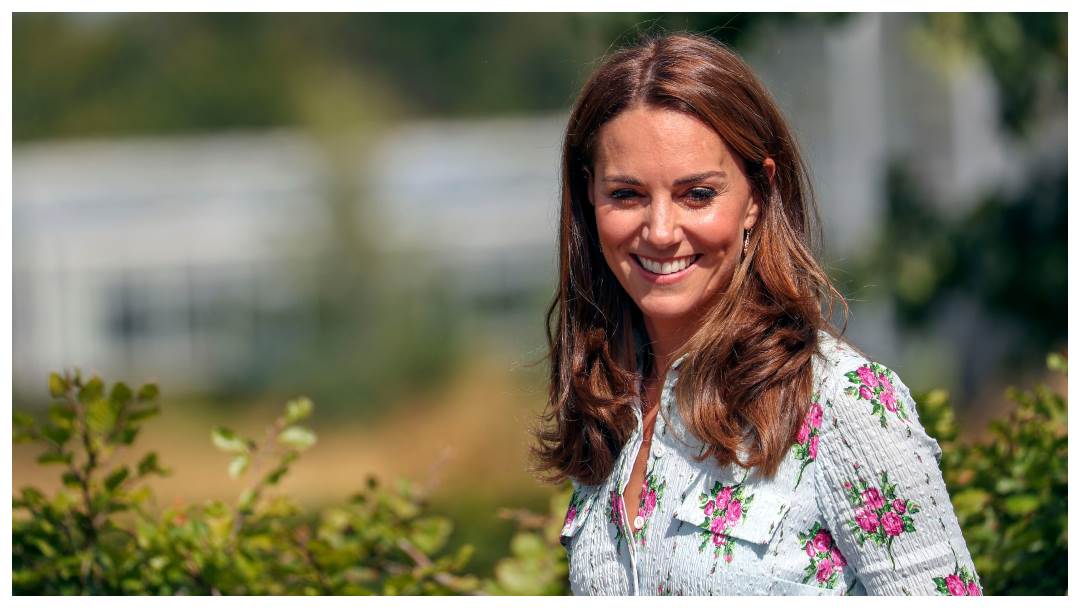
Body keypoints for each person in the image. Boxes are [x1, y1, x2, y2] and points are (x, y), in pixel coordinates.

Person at [531, 32, 981, 596]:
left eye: (697, 194)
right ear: (589, 197)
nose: (661, 231)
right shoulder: (609, 408)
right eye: (627, 195)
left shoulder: (843, 403)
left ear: (758, 196)